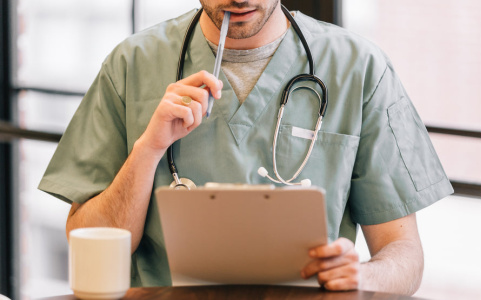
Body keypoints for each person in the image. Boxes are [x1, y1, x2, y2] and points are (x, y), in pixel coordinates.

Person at [39, 0, 453, 295]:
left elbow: (405, 256)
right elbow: (85, 241)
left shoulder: (359, 68)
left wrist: (363, 277)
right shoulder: (132, 64)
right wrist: (148, 148)